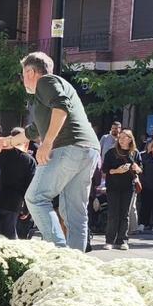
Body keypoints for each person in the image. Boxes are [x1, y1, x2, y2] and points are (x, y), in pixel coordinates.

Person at [21, 51, 101, 251]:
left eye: (23, 74)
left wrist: (47, 143)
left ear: (31, 72)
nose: (23, 80)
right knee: (75, 214)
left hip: (69, 147)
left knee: (35, 198)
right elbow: (32, 131)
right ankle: (74, 264)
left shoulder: (46, 81)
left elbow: (61, 107)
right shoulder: (53, 89)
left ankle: (58, 252)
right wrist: (6, 141)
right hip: (88, 150)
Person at [102, 129, 141, 250]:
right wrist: (117, 171)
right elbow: (104, 171)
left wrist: (137, 168)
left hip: (128, 187)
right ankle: (109, 240)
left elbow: (140, 169)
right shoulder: (111, 152)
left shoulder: (134, 153)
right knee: (113, 214)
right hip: (113, 187)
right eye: (121, 137)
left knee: (125, 214)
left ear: (131, 139)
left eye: (126, 137)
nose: (123, 140)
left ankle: (123, 240)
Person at [0, 128, 36, 240]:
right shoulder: (28, 160)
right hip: (14, 203)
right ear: (25, 142)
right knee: (10, 236)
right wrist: (27, 208)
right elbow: (30, 186)